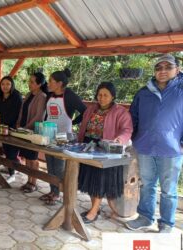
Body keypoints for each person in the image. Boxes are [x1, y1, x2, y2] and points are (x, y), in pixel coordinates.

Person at [126, 54, 183, 233]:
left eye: (168, 67)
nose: (163, 71)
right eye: (159, 67)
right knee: (147, 184)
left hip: (172, 148)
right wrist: (132, 137)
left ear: (178, 69)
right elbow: (132, 117)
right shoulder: (144, 92)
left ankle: (166, 223)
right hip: (145, 147)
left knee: (168, 190)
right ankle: (145, 217)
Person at [77, 82, 133, 223]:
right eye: (99, 95)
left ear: (112, 96)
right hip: (88, 147)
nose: (101, 98)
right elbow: (83, 125)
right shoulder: (91, 109)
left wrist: (120, 139)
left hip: (105, 150)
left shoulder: (120, 112)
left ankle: (94, 211)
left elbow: (127, 129)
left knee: (99, 181)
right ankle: (94, 208)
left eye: (105, 95)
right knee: (89, 179)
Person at [41, 69, 86, 205]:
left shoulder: (70, 95)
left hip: (63, 136)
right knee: (50, 164)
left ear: (59, 83)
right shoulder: (50, 95)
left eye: (51, 81)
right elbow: (48, 114)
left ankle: (61, 193)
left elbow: (85, 111)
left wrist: (73, 122)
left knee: (59, 166)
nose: (48, 83)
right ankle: (52, 191)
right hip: (49, 134)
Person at [17, 73, 47, 193]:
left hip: (33, 133)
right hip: (23, 131)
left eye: (32, 82)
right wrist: (19, 124)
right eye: (29, 81)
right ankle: (28, 181)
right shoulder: (29, 94)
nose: (29, 84)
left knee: (33, 159)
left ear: (39, 84)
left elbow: (39, 116)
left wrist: (26, 127)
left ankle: (33, 183)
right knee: (27, 158)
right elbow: (22, 111)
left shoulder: (42, 96)